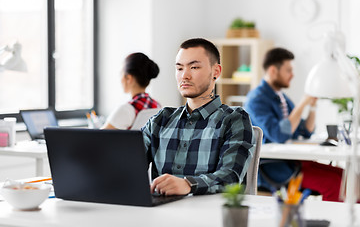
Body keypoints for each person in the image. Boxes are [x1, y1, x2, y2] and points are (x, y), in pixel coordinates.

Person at [142, 38, 254, 196]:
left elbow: (230, 176)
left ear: (216, 72)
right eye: (179, 68)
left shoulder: (234, 119)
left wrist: (189, 184)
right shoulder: (161, 119)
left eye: (194, 67)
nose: (185, 76)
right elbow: (128, 163)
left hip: (209, 215)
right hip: (160, 212)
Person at [244, 47, 343, 202]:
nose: (292, 75)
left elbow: (306, 130)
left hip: (295, 161)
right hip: (275, 167)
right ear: (272, 71)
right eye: (288, 70)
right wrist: (303, 101)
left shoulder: (282, 97)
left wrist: (312, 106)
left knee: (347, 177)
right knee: (335, 183)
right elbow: (279, 134)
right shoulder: (256, 99)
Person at [102, 52, 161, 130]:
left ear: (129, 78)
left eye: (121, 74)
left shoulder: (126, 110)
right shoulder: (157, 106)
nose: (120, 79)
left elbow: (99, 138)